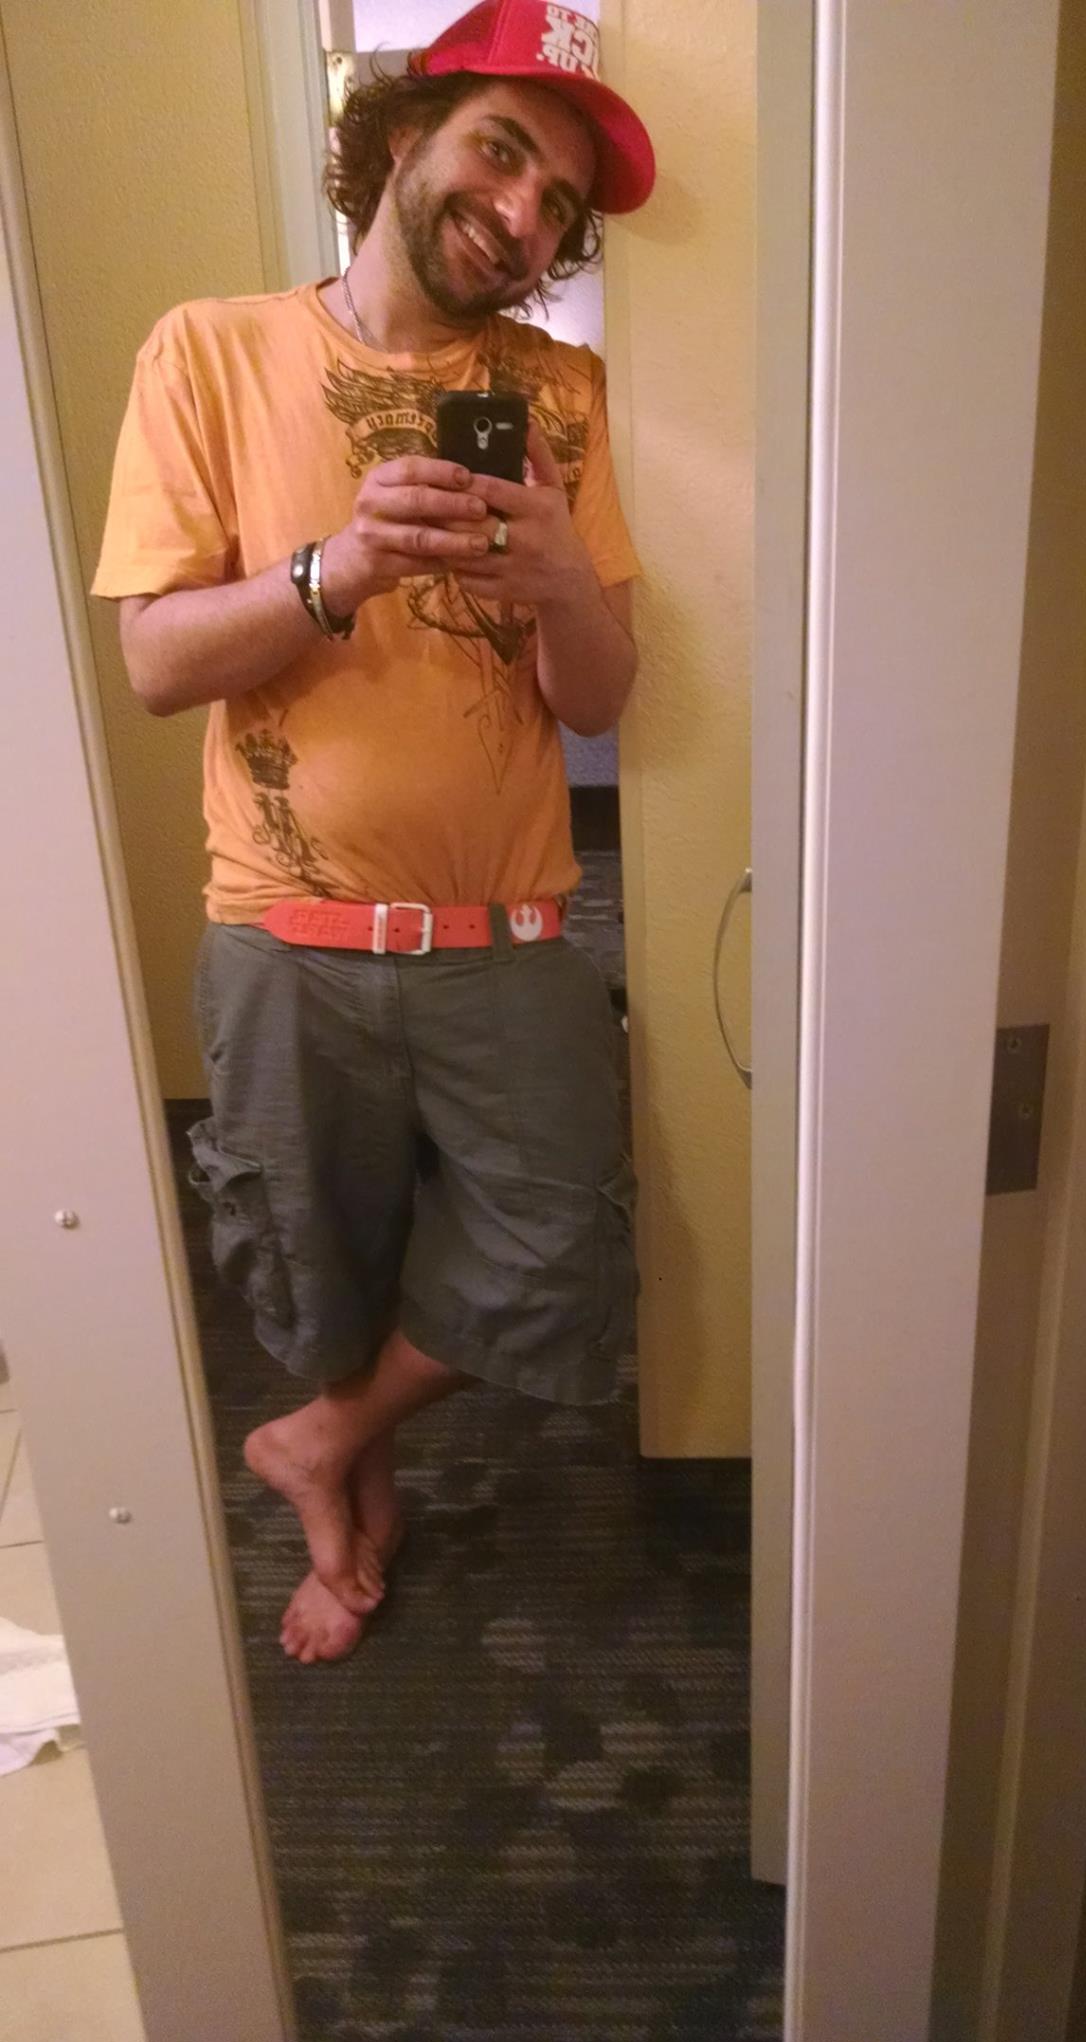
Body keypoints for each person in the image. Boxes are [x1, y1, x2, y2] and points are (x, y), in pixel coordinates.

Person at [92, 0, 655, 1664]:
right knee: (313, 1263)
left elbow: (603, 693)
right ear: (403, 135)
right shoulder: (208, 350)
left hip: (513, 934)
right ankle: (352, 1490)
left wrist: (558, 577)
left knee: (564, 1249)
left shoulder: (561, 393)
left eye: (560, 203)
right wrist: (339, 567)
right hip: (287, 935)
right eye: (502, 152)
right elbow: (153, 665)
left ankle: (319, 1442)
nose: (523, 213)